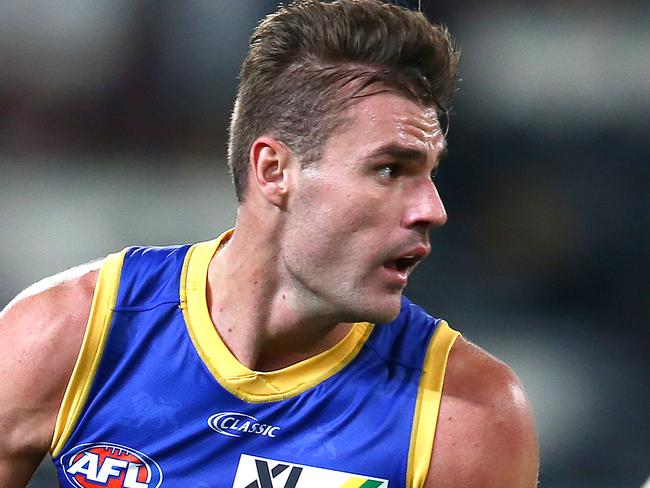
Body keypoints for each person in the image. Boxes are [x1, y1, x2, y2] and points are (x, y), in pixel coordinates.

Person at [0, 0, 539, 486]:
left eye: (429, 173)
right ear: (274, 169)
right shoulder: (69, 334)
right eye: (390, 169)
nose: (433, 210)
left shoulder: (464, 415)